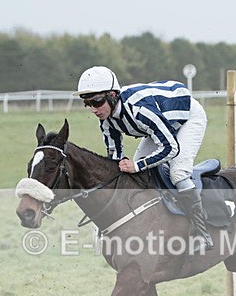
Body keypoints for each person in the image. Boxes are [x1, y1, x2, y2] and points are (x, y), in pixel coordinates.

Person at [74, 66, 214, 251]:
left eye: (97, 102)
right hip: (159, 122)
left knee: (178, 172)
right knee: (133, 175)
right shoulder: (106, 119)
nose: (93, 109)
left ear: (113, 95)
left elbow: (171, 147)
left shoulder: (139, 110)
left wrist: (138, 165)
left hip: (188, 117)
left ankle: (202, 234)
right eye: (88, 103)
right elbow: (115, 160)